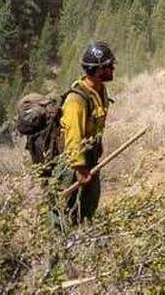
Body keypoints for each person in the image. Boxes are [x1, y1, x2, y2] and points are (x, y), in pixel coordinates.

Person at [58, 41, 115, 224]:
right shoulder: (76, 100)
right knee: (65, 212)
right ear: (98, 70)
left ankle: (83, 241)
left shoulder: (99, 91)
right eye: (109, 66)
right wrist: (79, 168)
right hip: (72, 165)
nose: (112, 69)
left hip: (90, 159)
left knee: (88, 208)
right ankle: (61, 246)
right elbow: (73, 137)